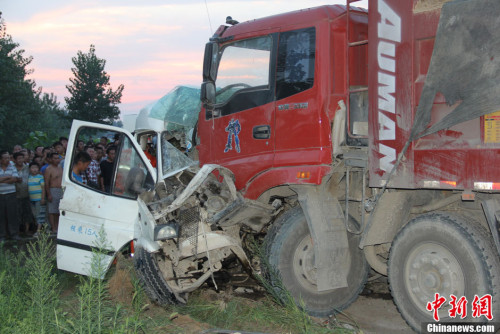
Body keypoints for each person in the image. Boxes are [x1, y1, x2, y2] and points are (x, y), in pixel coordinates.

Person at [0, 150, 20, 241]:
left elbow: (15, 179)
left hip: (11, 194)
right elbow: (11, 178)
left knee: (12, 215)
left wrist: (2, 180)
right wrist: (8, 177)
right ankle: (2, 235)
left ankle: (14, 234)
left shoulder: (12, 166)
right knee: (1, 216)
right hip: (1, 195)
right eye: (5, 158)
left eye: (8, 157)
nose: (8, 159)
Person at [13, 152, 32, 235]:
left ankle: (27, 230)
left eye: (22, 158)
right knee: (17, 213)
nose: (20, 160)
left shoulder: (27, 167)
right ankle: (17, 231)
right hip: (15, 195)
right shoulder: (12, 168)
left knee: (27, 213)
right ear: (15, 160)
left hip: (27, 194)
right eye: (19, 158)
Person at [44, 152, 62, 233]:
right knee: (52, 211)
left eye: (58, 158)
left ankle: (58, 227)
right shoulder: (48, 169)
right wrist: (49, 194)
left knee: (58, 211)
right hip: (52, 189)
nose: (57, 160)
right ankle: (53, 227)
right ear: (51, 159)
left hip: (60, 190)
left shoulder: (60, 167)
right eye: (55, 158)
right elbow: (46, 183)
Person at [28, 162, 46, 237]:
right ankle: (38, 229)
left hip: (39, 198)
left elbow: (43, 188)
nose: (34, 169)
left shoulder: (40, 177)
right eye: (33, 168)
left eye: (36, 168)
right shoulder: (29, 177)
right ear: (29, 169)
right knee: (34, 215)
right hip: (31, 199)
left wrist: (42, 198)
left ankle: (38, 231)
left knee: (40, 215)